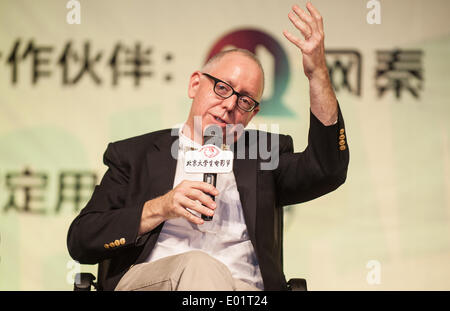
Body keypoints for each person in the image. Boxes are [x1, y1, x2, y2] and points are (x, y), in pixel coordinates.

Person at [67, 2, 349, 291]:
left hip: (242, 290)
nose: (229, 105)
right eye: (223, 88)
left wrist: (317, 74)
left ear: (253, 114)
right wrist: (161, 207)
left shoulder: (264, 155)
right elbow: (81, 240)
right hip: (155, 283)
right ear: (194, 85)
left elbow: (329, 169)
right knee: (199, 265)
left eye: (245, 101)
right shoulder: (135, 155)